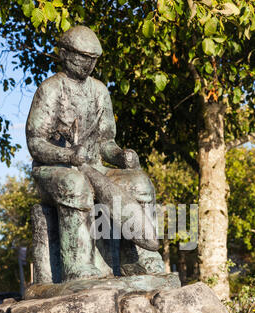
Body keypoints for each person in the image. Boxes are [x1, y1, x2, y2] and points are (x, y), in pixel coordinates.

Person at [26, 26, 164, 281]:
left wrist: (121, 156)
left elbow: (105, 142)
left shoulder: (99, 90)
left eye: (93, 59)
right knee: (75, 185)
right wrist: (67, 156)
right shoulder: (51, 89)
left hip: (93, 167)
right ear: (65, 54)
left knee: (139, 183)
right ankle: (78, 265)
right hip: (53, 170)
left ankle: (139, 260)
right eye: (82, 57)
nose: (88, 64)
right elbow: (35, 142)